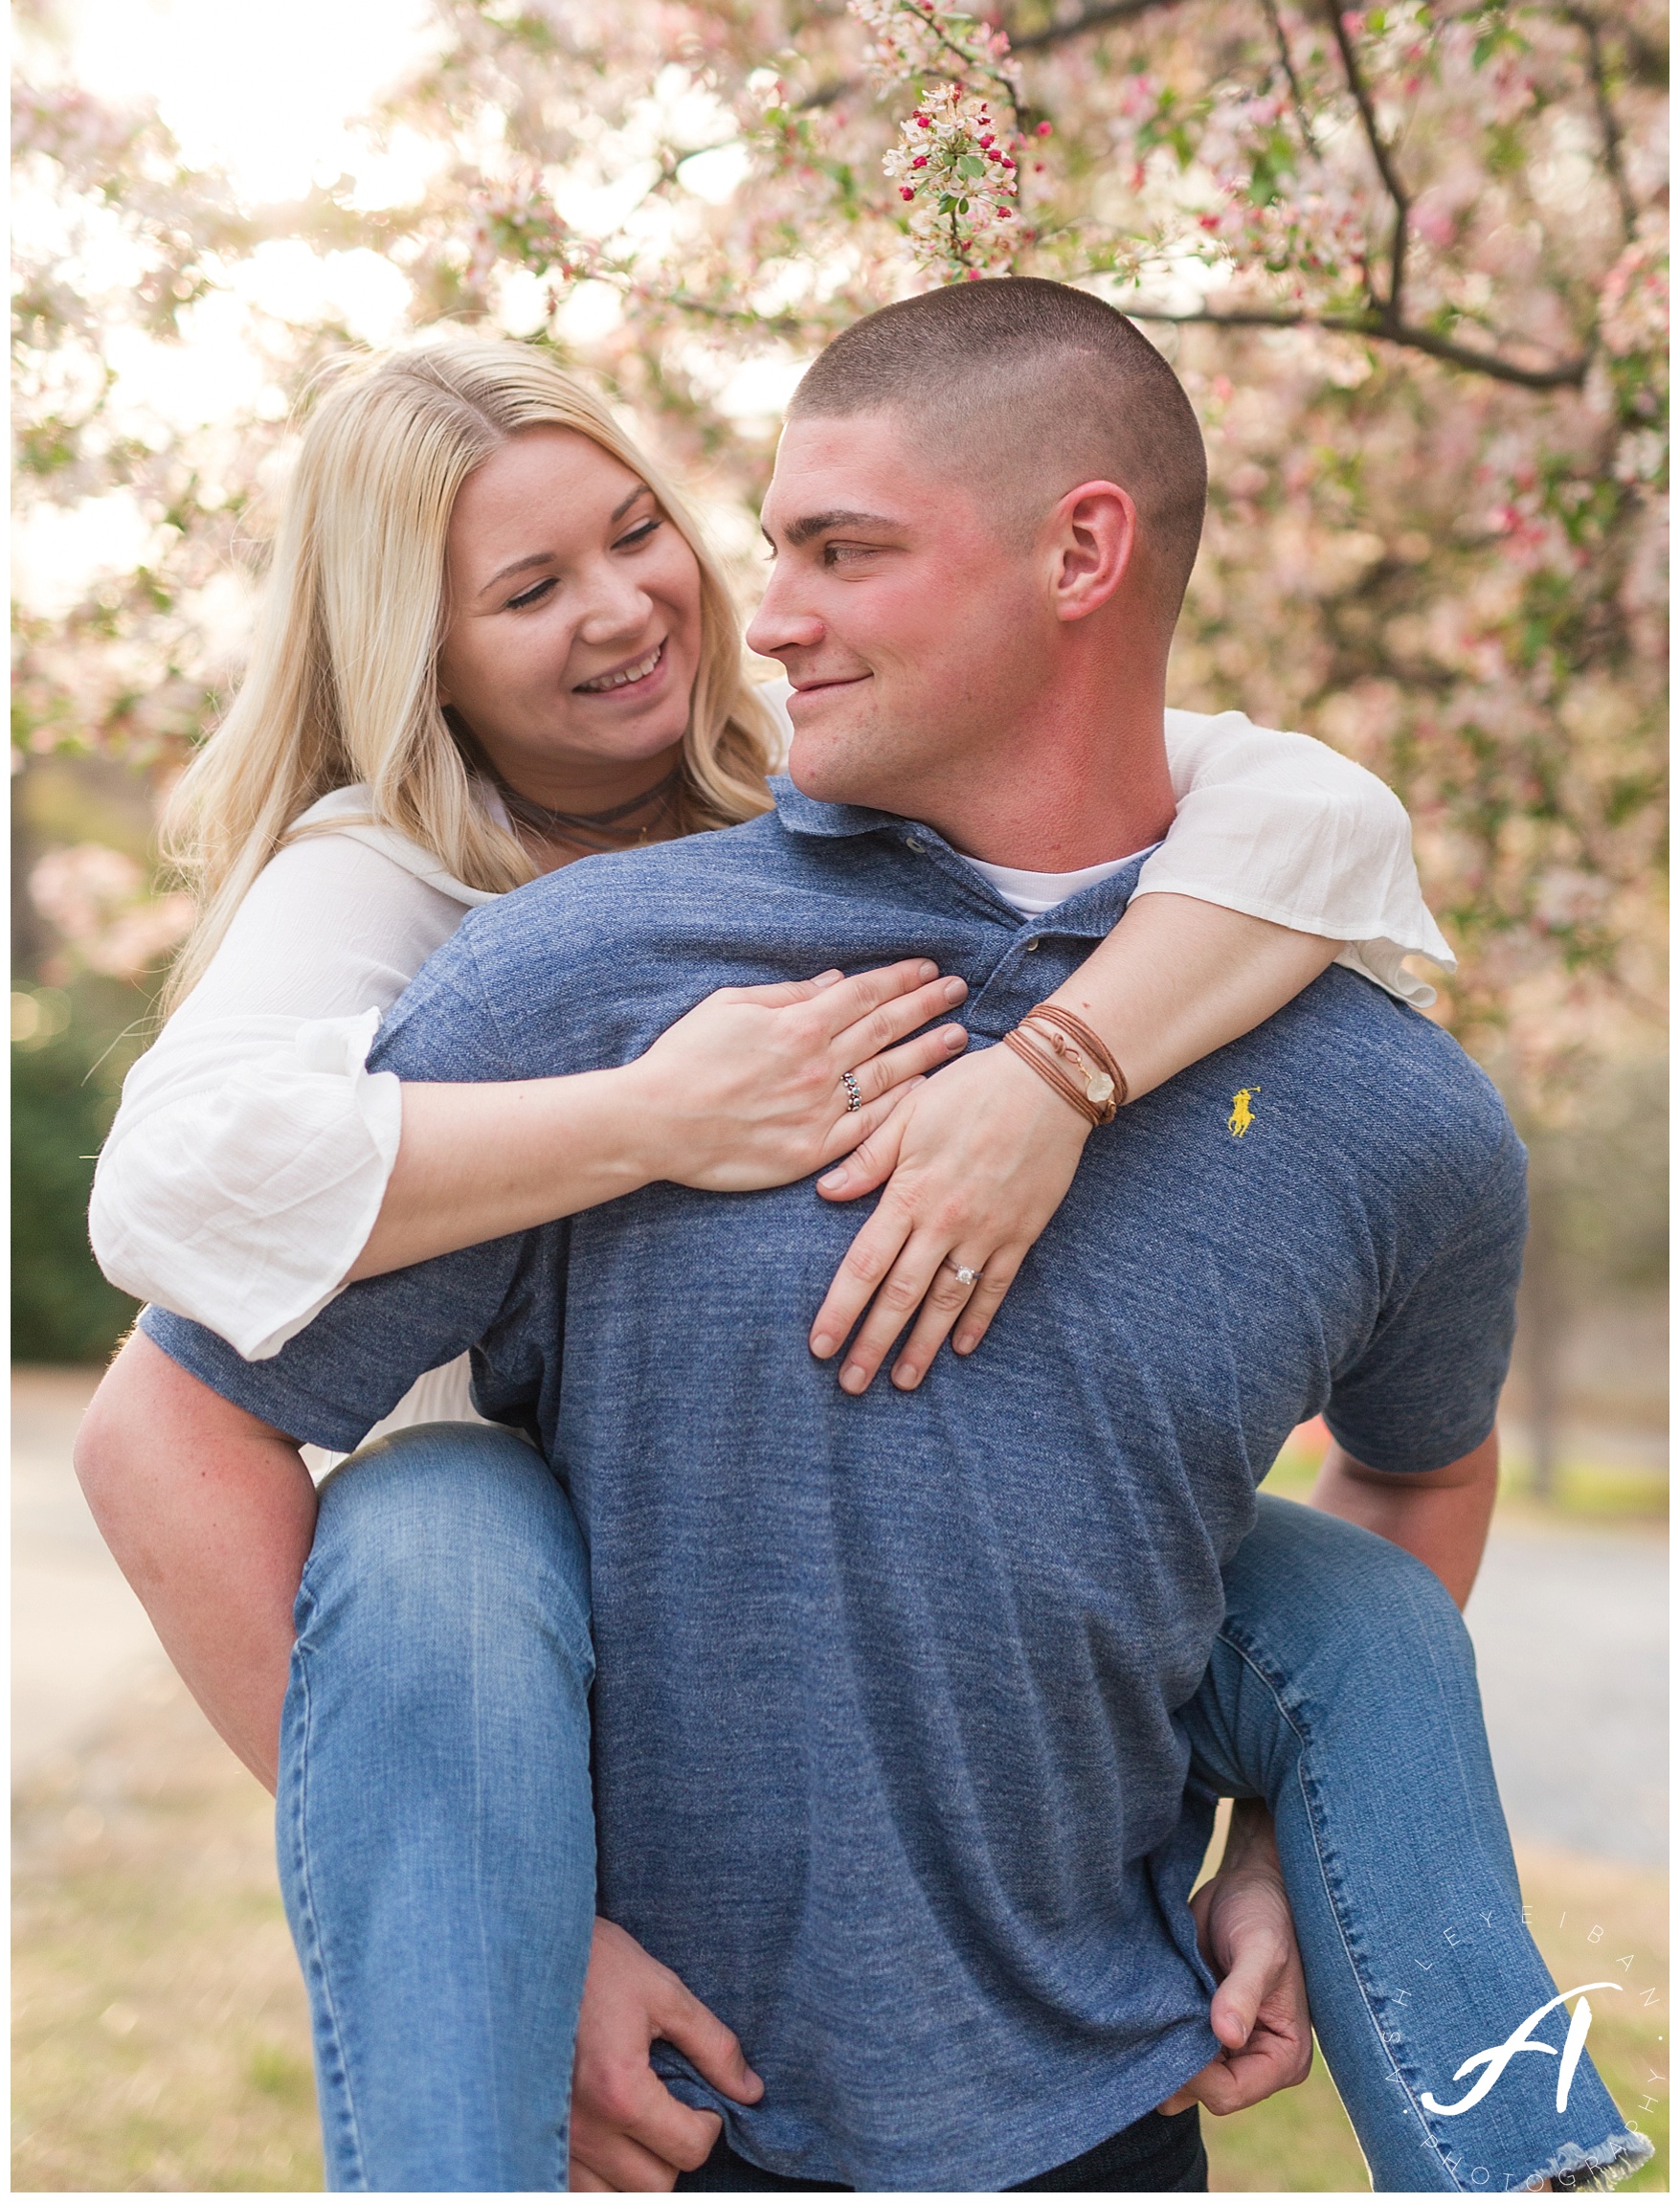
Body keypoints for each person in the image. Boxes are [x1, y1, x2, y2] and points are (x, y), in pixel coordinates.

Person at [77, 308, 1644, 2194]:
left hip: (1101, 2107)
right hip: (625, 1859)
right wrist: (650, 1117)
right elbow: (166, 1288)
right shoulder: (466, 927)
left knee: (1356, 1616)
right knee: (428, 1524)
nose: (695, 611)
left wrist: (1054, 1072)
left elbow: (1293, 814)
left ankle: (1521, 2166)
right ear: (428, 667)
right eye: (526, 590)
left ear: (1077, 555)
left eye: (786, 548)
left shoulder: (1362, 1088)